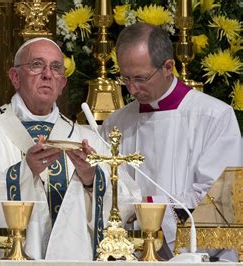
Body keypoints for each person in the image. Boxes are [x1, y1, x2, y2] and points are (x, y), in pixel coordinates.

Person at [0, 37, 141, 260]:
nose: (47, 74)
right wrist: (22, 173)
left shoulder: (87, 139)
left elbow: (128, 204)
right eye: (37, 65)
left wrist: (91, 180)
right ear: (15, 77)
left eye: (56, 68)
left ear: (62, 84)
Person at [101, 22, 242, 258]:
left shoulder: (214, 117)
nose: (132, 89)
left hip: (194, 256)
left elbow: (220, 199)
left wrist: (149, 208)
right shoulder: (117, 123)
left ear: (168, 67)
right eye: (125, 78)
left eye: (140, 78)